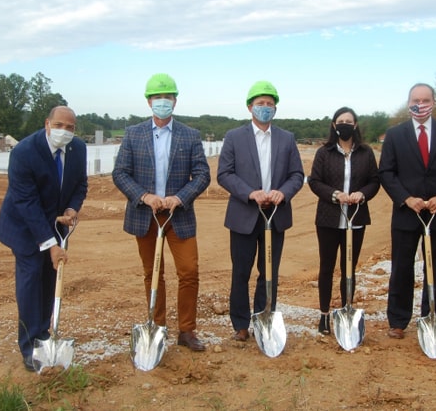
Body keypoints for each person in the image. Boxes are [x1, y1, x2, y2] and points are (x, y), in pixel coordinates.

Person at [112, 73, 210, 352]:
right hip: (146, 215)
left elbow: (202, 174)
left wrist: (180, 197)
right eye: (158, 98)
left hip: (178, 215)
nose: (163, 102)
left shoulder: (190, 135)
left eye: (168, 97)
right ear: (149, 101)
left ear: (175, 101)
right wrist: (144, 196)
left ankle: (187, 330)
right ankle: (158, 326)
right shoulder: (133, 134)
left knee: (189, 271)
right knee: (152, 272)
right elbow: (120, 173)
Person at [0, 106, 88, 371]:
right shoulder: (24, 152)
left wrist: (72, 208)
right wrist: (50, 245)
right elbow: (26, 202)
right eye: (59, 125)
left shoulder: (78, 149)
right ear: (47, 124)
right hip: (24, 226)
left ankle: (43, 333)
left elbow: (80, 184)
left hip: (57, 223)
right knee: (31, 279)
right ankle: (29, 345)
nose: (64, 131)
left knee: (50, 279)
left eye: (70, 127)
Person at [378, 83, 436, 339]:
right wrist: (406, 198)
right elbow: (386, 172)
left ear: (434, 102)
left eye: (426, 99)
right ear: (408, 103)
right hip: (407, 214)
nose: (421, 104)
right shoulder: (395, 135)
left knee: (435, 268)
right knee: (401, 268)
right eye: (416, 100)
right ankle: (397, 320)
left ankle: (430, 315)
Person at [217, 80, 304, 341]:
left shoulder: (286, 139)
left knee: (269, 273)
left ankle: (264, 318)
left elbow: (297, 174)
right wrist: (249, 193)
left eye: (269, 104)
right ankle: (241, 325)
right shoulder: (234, 137)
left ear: (275, 108)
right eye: (260, 104)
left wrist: (283, 193)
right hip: (244, 215)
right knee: (241, 271)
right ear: (249, 107)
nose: (265, 108)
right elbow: (224, 173)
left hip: (275, 216)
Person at [307, 107, 380, 335]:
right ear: (334, 125)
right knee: (326, 267)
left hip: (356, 219)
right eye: (341, 121)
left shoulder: (366, 153)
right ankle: (324, 314)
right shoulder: (324, 152)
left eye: (349, 121)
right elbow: (315, 181)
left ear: (355, 125)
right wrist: (335, 194)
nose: (345, 124)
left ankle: (347, 308)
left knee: (349, 268)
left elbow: (375, 181)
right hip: (329, 218)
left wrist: (362, 194)